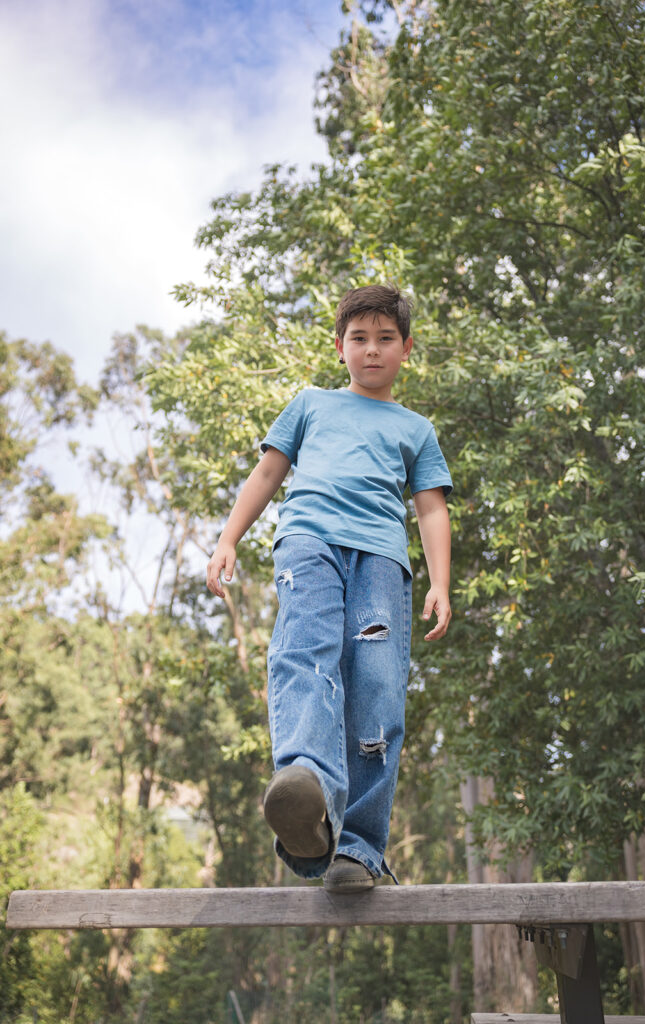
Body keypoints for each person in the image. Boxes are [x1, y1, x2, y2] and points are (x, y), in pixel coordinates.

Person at [206, 284, 452, 893]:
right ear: (340, 345)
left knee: (376, 685)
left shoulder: (416, 429)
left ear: (406, 349)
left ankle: (358, 850)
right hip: (308, 543)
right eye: (360, 339)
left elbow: (430, 510)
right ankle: (307, 785)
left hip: (381, 561)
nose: (372, 351)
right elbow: (268, 472)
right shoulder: (311, 403)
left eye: (385, 340)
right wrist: (228, 538)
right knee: (305, 652)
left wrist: (440, 582)